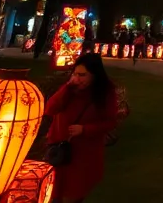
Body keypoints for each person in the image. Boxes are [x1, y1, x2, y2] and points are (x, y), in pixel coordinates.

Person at [43, 53, 119, 203]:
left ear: (95, 75)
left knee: (73, 195)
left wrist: (85, 129)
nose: (78, 78)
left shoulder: (105, 92)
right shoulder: (71, 87)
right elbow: (50, 109)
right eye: (76, 74)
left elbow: (110, 122)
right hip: (59, 149)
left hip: (84, 155)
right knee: (53, 194)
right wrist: (67, 87)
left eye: (83, 75)